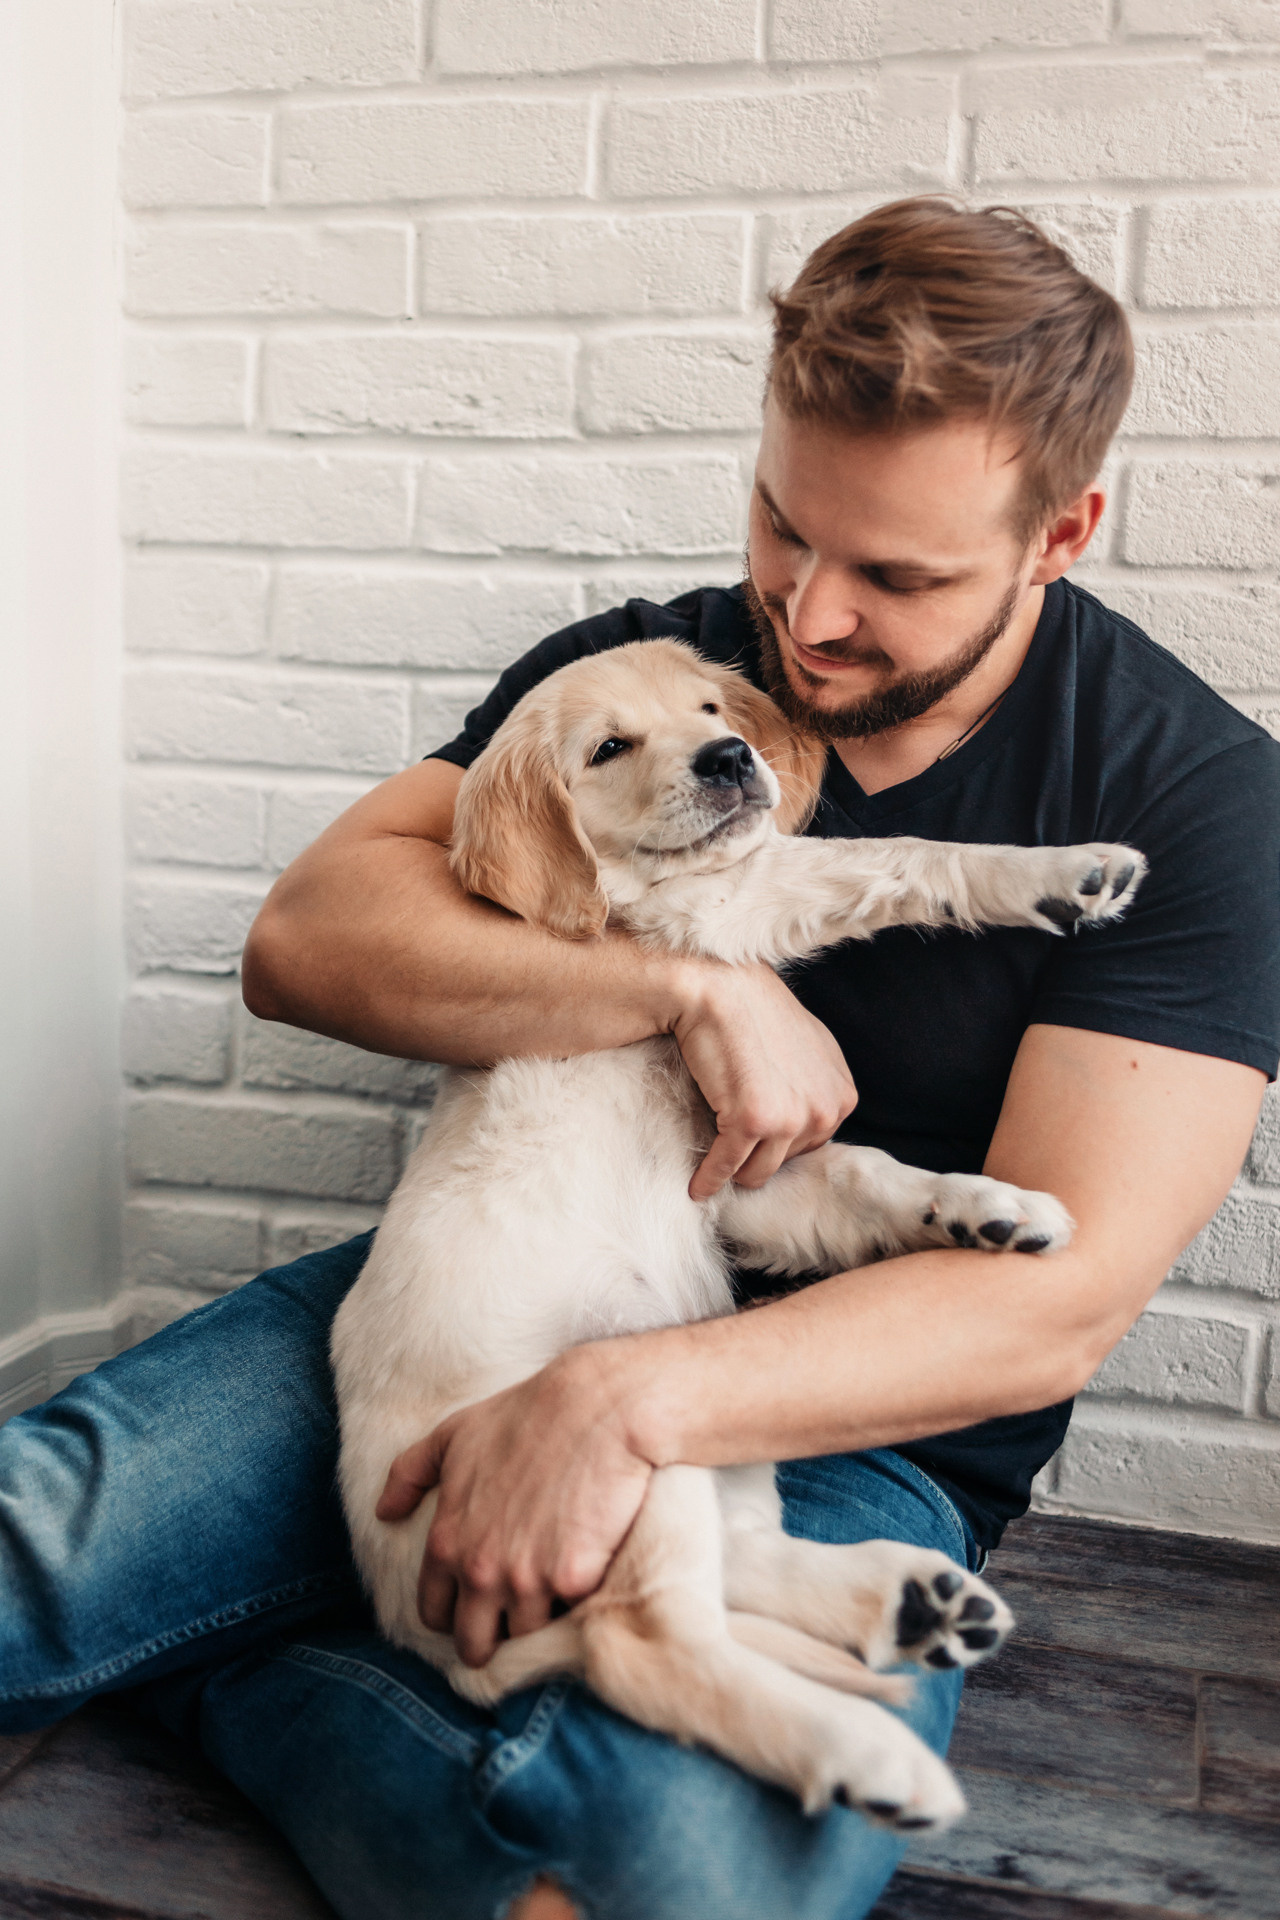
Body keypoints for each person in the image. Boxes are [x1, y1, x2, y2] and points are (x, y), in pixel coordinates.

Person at [2, 198, 1278, 1920]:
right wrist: (685, 996)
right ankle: (262, 1629)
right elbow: (309, 938)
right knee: (42, 1547)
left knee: (697, 1862)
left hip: (838, 1422)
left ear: (1064, 533)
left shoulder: (1198, 800)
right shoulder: (649, 673)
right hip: (495, 1277)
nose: (804, 624)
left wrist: (618, 1408)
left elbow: (1052, 1293)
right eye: (782, 523)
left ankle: (228, 1671)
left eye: (895, 577)